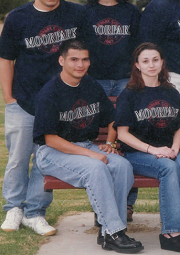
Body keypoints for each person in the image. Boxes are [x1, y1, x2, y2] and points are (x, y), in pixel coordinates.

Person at [0, 0, 93, 235]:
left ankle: (35, 212)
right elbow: (5, 59)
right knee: (18, 158)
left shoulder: (76, 14)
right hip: (25, 99)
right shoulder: (18, 18)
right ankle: (14, 208)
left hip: (60, 103)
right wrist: (9, 98)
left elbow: (85, 55)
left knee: (46, 158)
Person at [33, 39, 143, 253]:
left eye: (84, 59)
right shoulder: (50, 92)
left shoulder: (90, 85)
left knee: (122, 166)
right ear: (61, 60)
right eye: (74, 59)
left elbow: (113, 119)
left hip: (84, 146)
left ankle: (110, 231)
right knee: (96, 168)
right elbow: (50, 139)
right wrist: (90, 155)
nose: (80, 65)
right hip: (52, 153)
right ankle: (114, 231)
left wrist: (110, 143)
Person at [114, 42, 180, 253]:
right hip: (137, 154)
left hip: (167, 151)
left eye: (155, 60)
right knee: (168, 168)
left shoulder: (170, 92)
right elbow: (122, 134)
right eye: (145, 61)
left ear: (162, 62)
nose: (151, 65)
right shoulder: (129, 94)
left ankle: (175, 225)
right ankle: (171, 233)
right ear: (137, 66)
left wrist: (175, 149)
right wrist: (153, 150)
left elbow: (179, 127)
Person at [85, 0, 141, 223]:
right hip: (95, 83)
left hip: (125, 82)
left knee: (128, 140)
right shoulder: (85, 13)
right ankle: (102, 205)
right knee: (98, 144)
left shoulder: (131, 12)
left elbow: (141, 50)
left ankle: (127, 203)